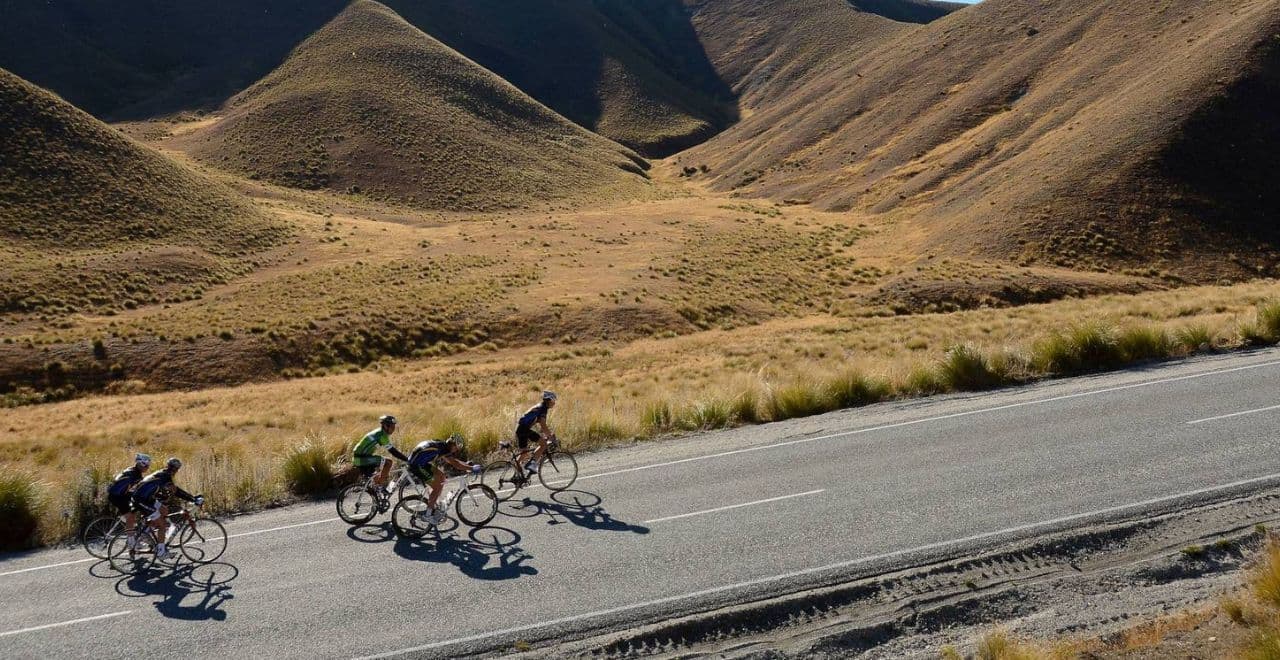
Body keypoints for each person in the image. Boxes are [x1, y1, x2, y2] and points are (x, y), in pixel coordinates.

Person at [131, 457, 202, 559]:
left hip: (146, 497)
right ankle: (161, 552)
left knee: (164, 510)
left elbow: (162, 488)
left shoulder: (163, 473)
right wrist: (192, 499)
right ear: (176, 469)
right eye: (177, 469)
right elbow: (175, 491)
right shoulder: (166, 476)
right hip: (141, 500)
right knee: (162, 525)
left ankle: (146, 532)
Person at [406, 434, 481, 523]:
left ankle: (434, 501)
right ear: (452, 444)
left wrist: (467, 465)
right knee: (437, 486)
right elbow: (455, 463)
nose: (455, 450)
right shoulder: (444, 449)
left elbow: (454, 460)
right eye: (456, 448)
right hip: (416, 465)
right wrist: (471, 468)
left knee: (442, 477)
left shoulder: (443, 445)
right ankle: (428, 514)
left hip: (420, 462)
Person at [353, 414, 410, 494]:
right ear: (386, 426)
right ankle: (380, 488)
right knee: (388, 462)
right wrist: (407, 459)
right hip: (362, 458)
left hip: (362, 457)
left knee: (377, 473)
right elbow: (393, 451)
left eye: (394, 427)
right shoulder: (381, 435)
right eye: (392, 427)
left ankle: (377, 493)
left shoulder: (379, 432)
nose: (393, 430)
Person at [106, 453, 151, 534]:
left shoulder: (133, 470)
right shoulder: (135, 475)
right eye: (147, 465)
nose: (148, 467)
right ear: (141, 464)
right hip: (117, 497)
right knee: (131, 518)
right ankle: (131, 541)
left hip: (120, 494)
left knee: (136, 507)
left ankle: (128, 521)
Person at [515, 391, 557, 475]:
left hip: (521, 429)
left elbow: (539, 425)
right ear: (548, 400)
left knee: (524, 453)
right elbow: (543, 425)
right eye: (553, 400)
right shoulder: (542, 408)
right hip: (524, 429)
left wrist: (547, 434)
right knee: (543, 444)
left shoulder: (540, 407)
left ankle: (517, 471)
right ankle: (532, 464)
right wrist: (551, 437)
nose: (554, 403)